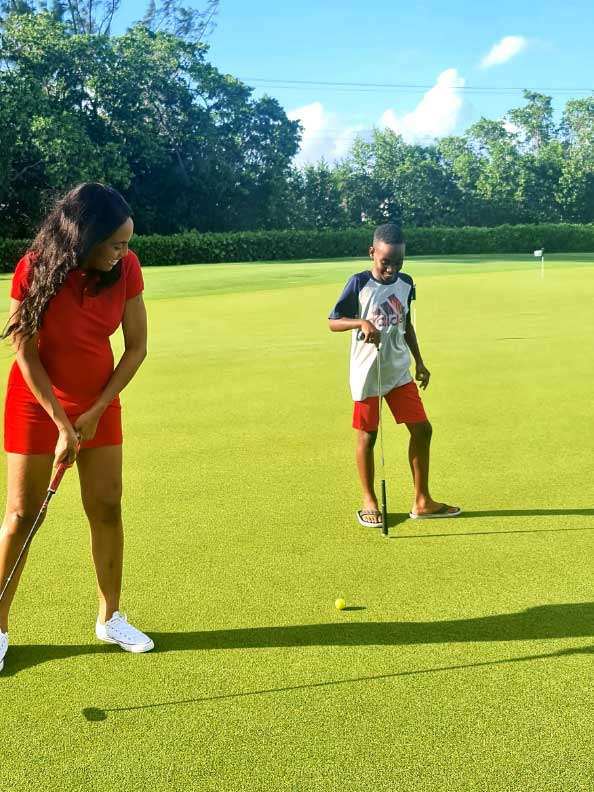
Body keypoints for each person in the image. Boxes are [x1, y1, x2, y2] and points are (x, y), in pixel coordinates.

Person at [0, 182, 153, 674]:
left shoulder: (126, 269)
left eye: (127, 243)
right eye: (114, 243)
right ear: (83, 237)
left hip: (98, 401)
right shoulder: (35, 266)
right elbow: (23, 350)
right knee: (24, 515)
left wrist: (93, 412)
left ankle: (111, 617)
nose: (123, 253)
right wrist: (61, 422)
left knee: (107, 505)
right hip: (36, 399)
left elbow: (136, 349)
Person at [328, 223, 461, 527]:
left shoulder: (407, 283)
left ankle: (423, 501)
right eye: (385, 261)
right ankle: (369, 500)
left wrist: (420, 361)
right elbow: (332, 322)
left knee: (423, 430)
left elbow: (406, 323)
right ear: (372, 252)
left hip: (398, 370)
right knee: (368, 435)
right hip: (367, 373)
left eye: (398, 262)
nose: (391, 268)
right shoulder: (358, 283)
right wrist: (360, 323)